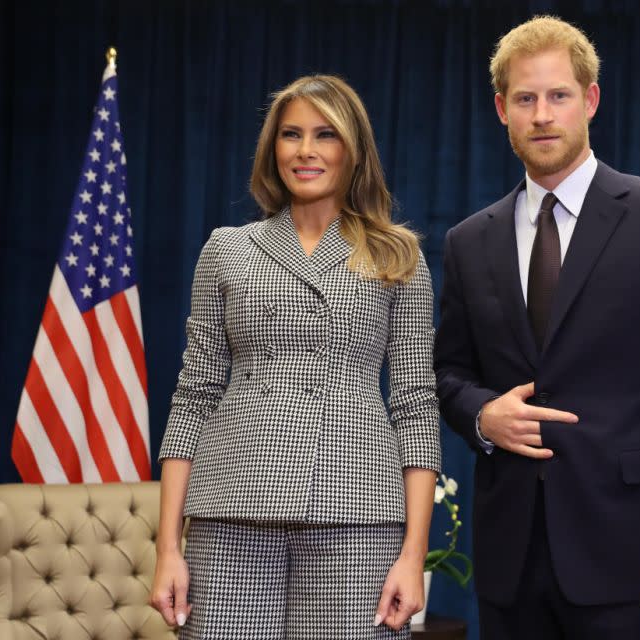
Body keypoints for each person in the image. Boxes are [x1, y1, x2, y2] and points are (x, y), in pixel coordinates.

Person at [434, 16, 640, 640]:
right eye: (525, 98)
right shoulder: (468, 241)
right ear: (501, 109)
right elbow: (451, 374)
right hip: (510, 557)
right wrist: (483, 416)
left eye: (558, 95)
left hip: (632, 554)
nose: (542, 114)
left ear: (589, 100)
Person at [150, 74, 441, 639]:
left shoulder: (397, 256)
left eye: (325, 135)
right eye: (291, 134)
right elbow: (193, 398)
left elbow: (415, 405)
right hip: (231, 508)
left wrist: (413, 552)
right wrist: (168, 546)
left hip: (358, 513)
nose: (306, 150)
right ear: (272, 149)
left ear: (352, 152)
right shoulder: (227, 250)